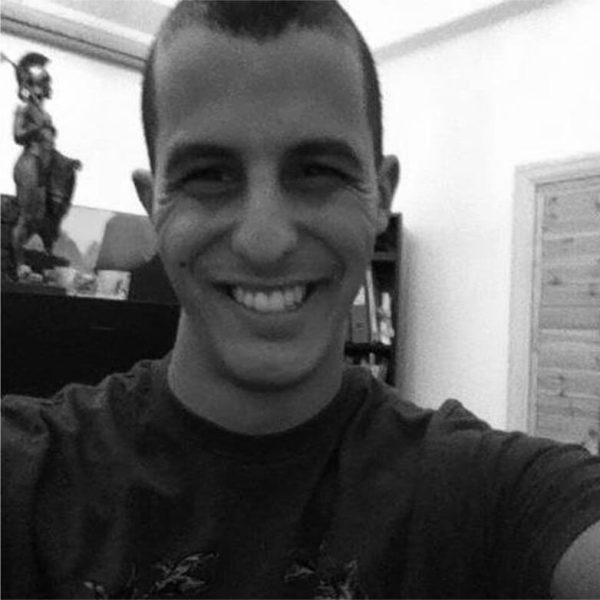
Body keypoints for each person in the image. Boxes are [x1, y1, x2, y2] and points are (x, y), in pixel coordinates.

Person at [2, 1, 599, 598]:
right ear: (152, 203)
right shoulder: (27, 476)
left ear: (380, 196)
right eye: (209, 175)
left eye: (317, 171)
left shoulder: (488, 495)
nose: (265, 242)